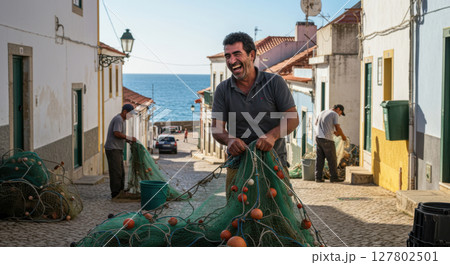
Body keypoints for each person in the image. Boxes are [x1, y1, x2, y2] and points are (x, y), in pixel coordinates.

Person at [211, 32, 299, 196]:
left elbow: (293, 119)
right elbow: (216, 128)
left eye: (237, 54)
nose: (232, 61)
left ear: (252, 55)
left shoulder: (275, 83)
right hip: (238, 166)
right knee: (237, 218)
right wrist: (229, 140)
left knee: (278, 217)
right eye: (228, 56)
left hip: (274, 165)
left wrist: (272, 136)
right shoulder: (222, 90)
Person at [105, 104, 137, 199]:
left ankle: (121, 191)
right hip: (113, 149)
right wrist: (129, 137)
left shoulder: (123, 120)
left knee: (121, 172)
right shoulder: (118, 119)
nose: (131, 116)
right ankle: (115, 193)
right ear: (124, 112)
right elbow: (116, 133)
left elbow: (121, 135)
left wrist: (128, 140)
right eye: (130, 114)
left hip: (118, 149)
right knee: (116, 172)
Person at [314, 104, 347, 183]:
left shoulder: (322, 112)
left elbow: (316, 123)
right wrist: (343, 136)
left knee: (320, 159)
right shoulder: (334, 114)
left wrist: (332, 132)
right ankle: (334, 177)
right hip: (327, 139)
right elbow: (337, 127)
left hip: (318, 137)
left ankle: (318, 178)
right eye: (340, 113)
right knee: (332, 159)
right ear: (338, 109)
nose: (339, 115)